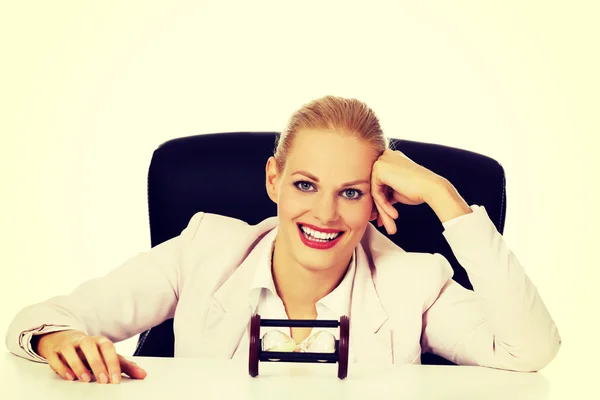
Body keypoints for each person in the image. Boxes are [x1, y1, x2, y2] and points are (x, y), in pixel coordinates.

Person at [5, 96, 561, 384]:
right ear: (273, 179)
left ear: (377, 199)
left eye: (350, 192)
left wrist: (444, 196)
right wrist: (58, 339)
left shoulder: (414, 281)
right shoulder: (204, 250)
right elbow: (40, 317)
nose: (325, 213)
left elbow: (530, 351)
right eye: (304, 184)